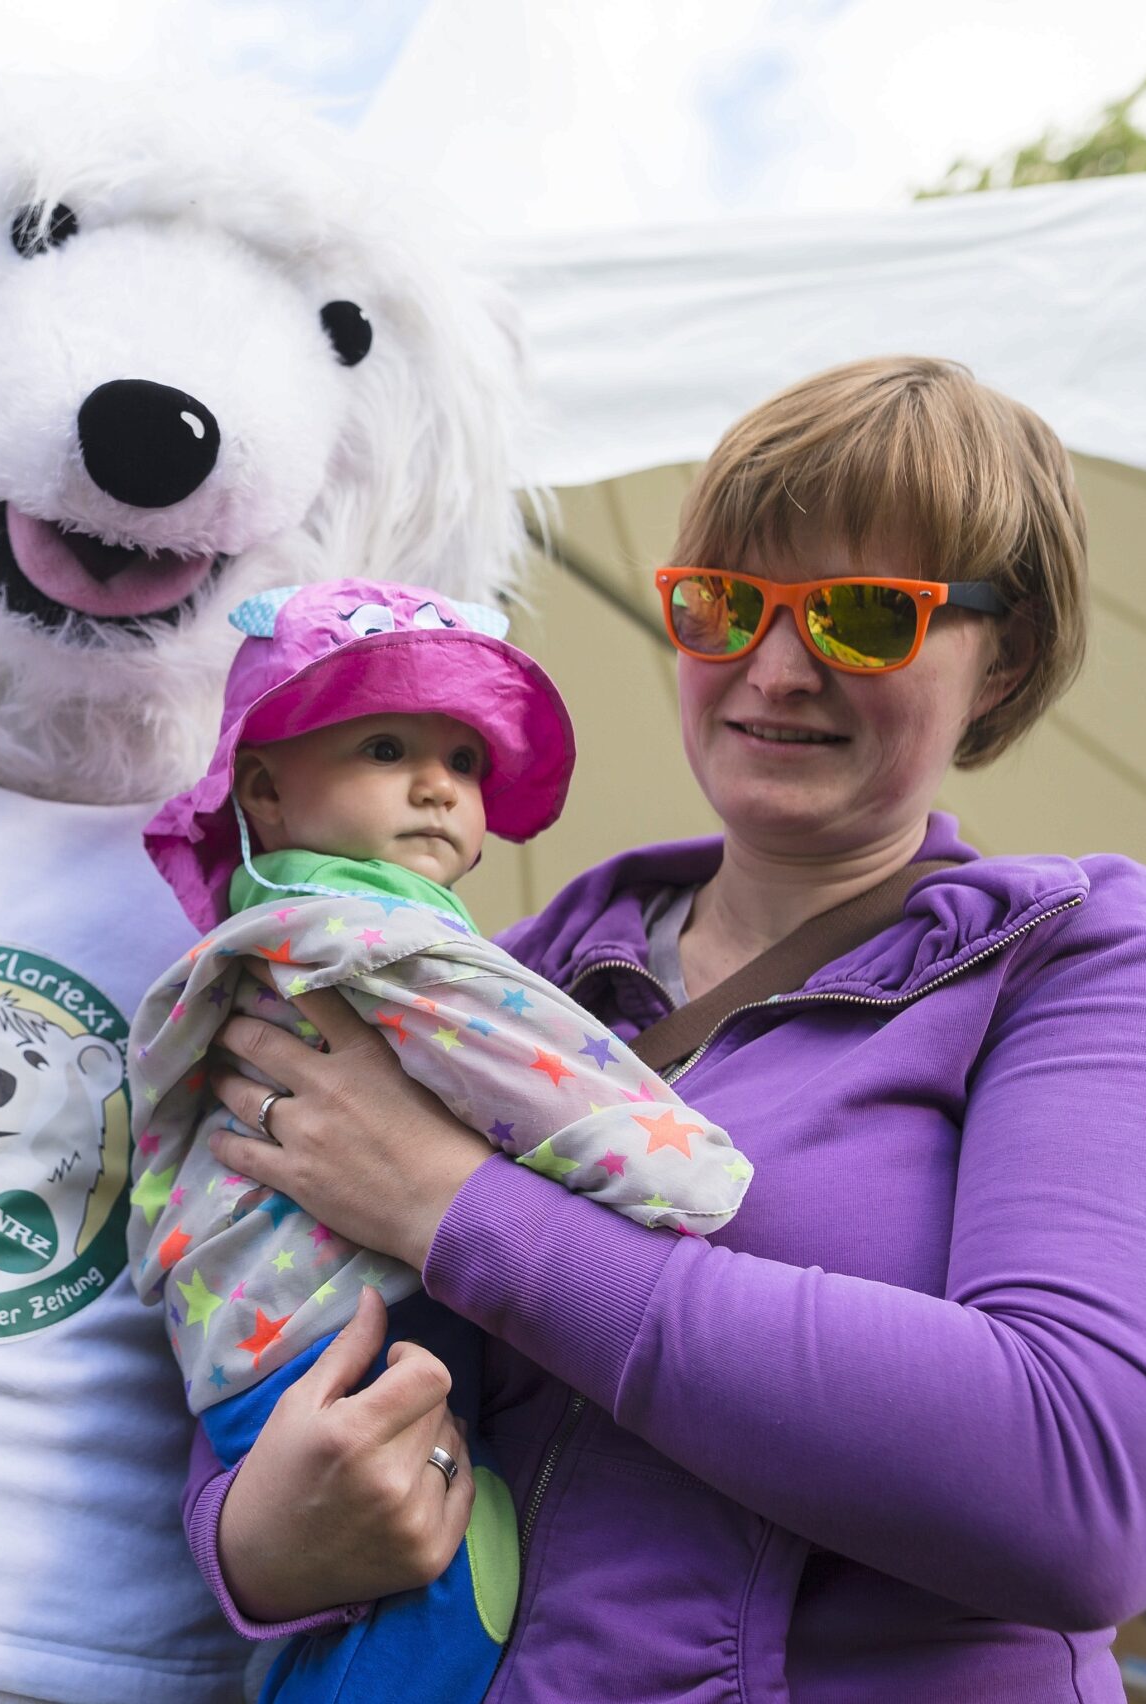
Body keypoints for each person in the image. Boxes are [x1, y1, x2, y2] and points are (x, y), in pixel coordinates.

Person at [186, 358, 1146, 1702]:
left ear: (1005, 661)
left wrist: (458, 1209)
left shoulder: (1077, 956)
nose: (774, 667)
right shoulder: (477, 980)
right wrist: (254, 1542)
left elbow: (1093, 1490)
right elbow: (242, 1299)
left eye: (868, 617)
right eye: (723, 607)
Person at [127, 577, 747, 1703]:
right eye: (383, 745)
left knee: (345, 1627)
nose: (436, 787)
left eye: (465, 762)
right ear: (261, 789)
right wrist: (695, 1172)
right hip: (341, 1334)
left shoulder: (266, 937)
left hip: (256, 1343)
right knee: (449, 1603)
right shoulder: (371, 941)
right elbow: (536, 1069)